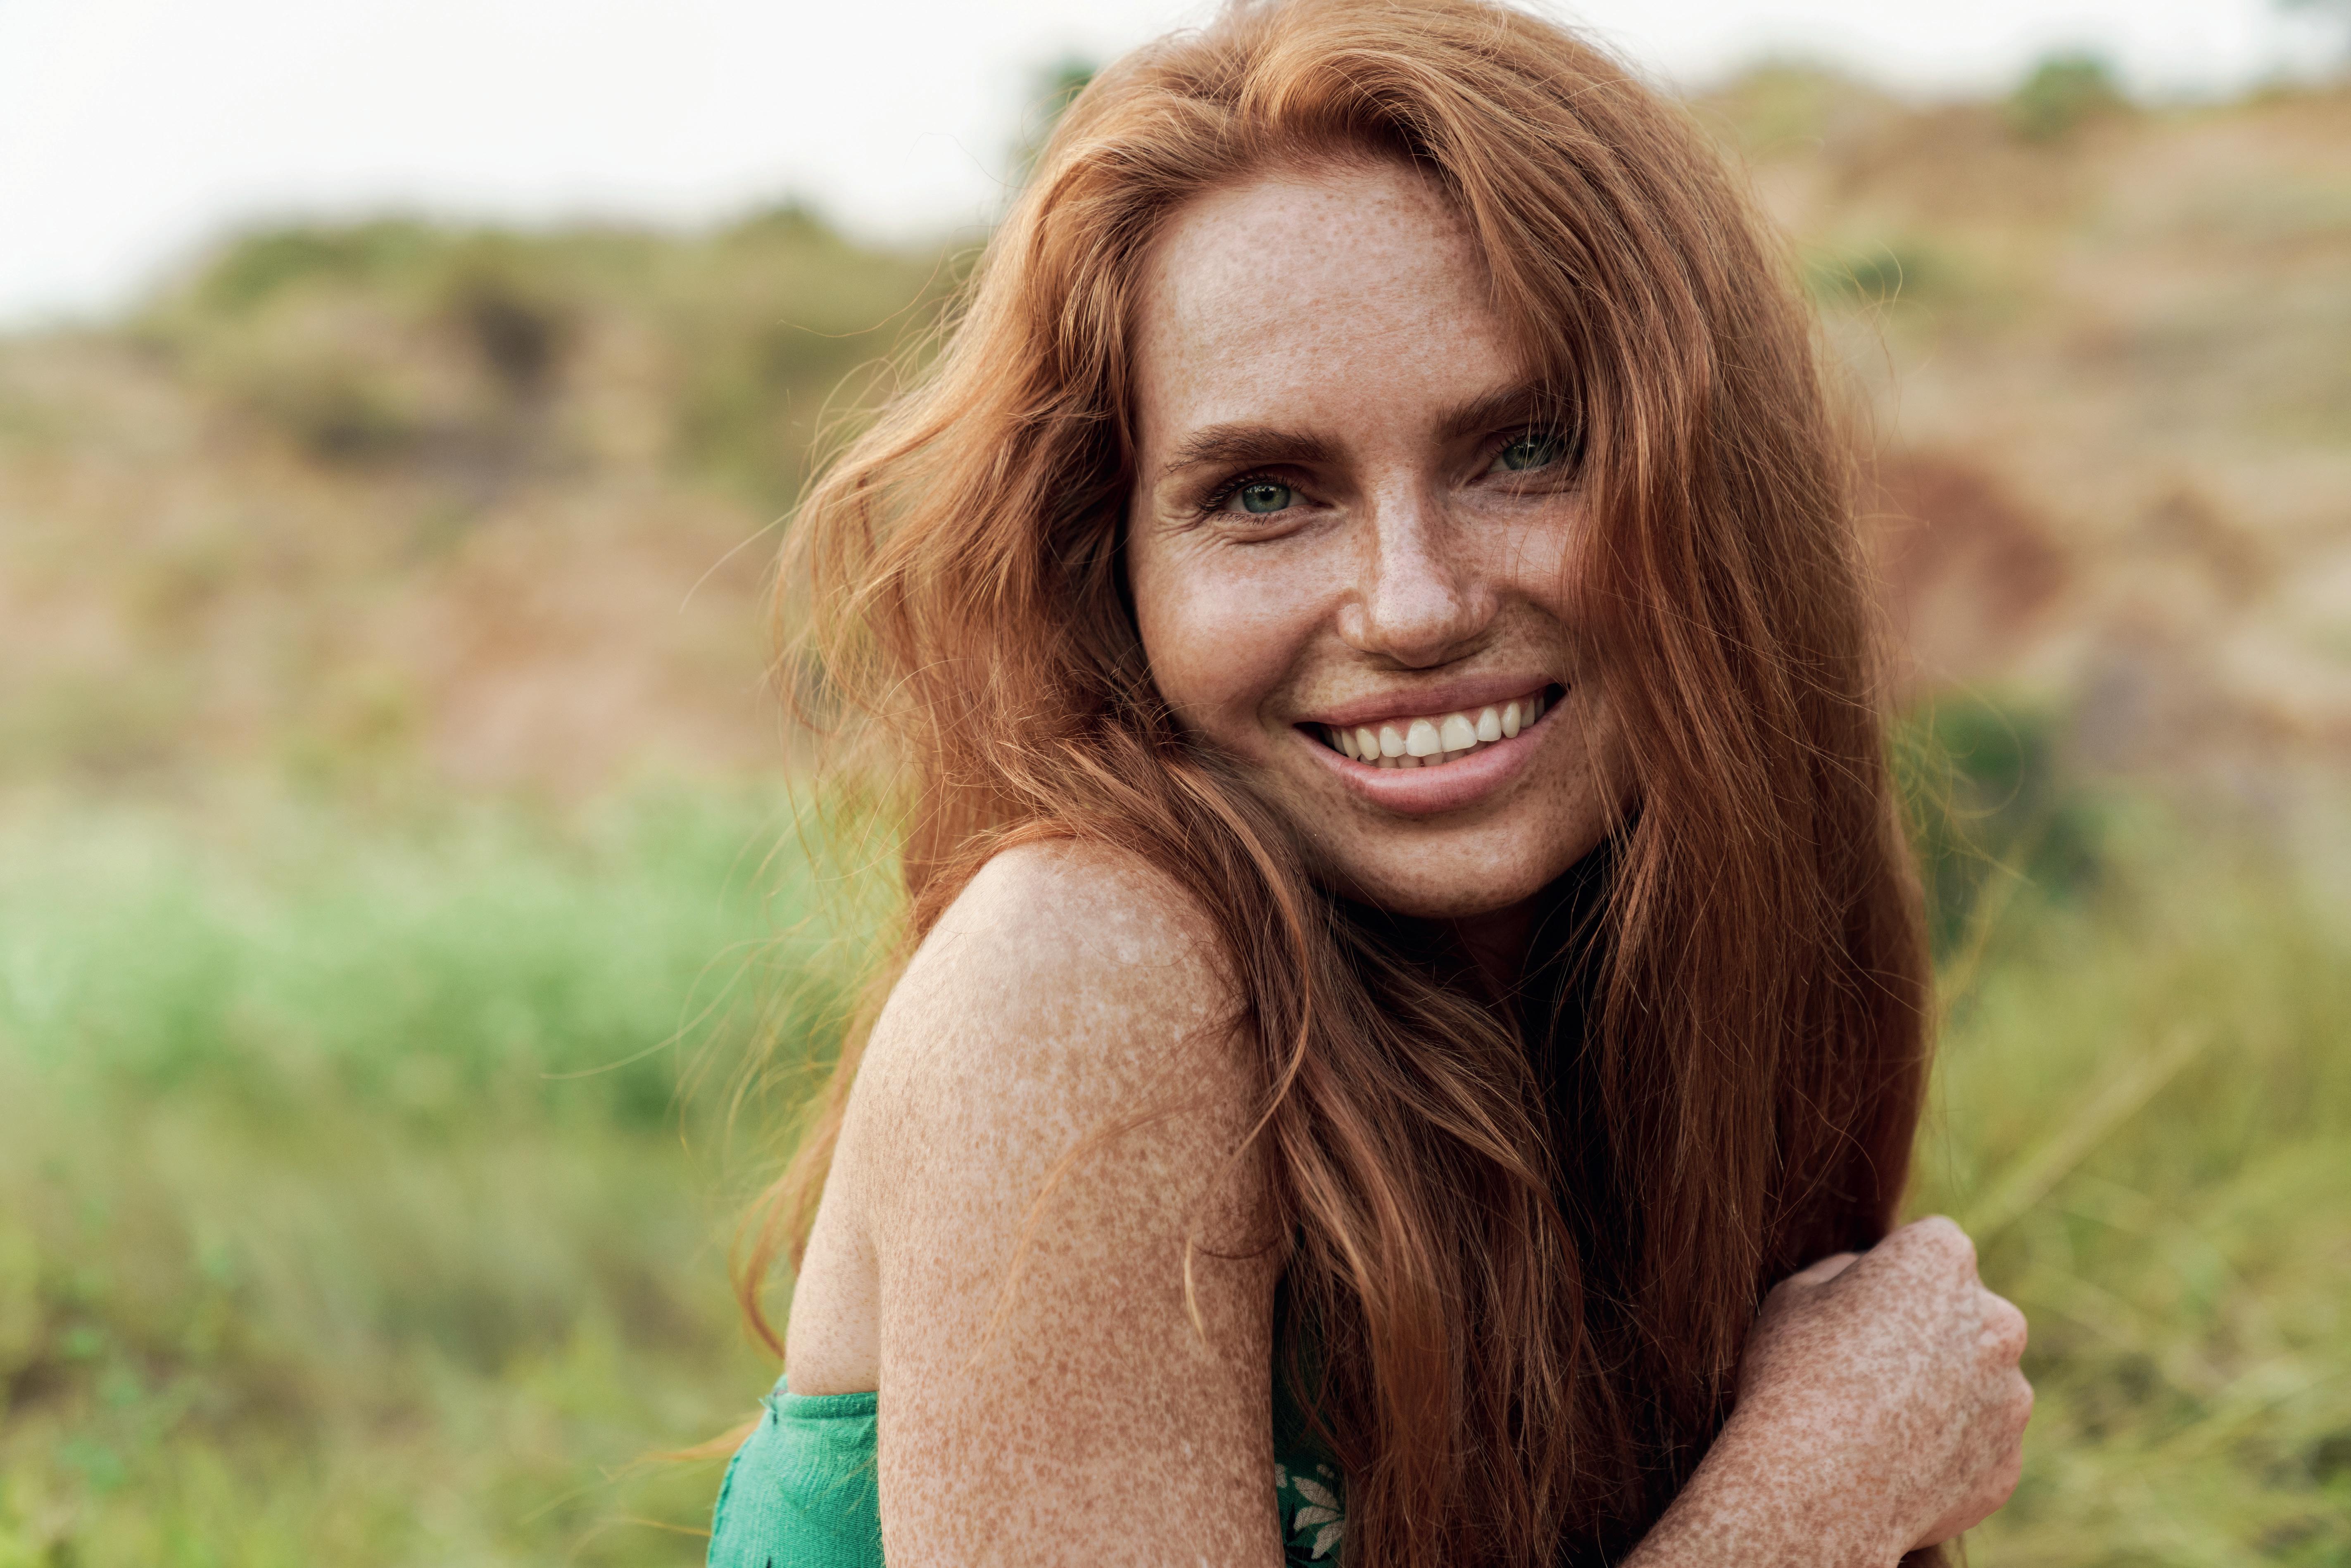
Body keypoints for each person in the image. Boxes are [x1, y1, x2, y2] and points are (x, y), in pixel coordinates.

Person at [708, 1, 2033, 1563]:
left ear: (1714, 489)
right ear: (1108, 567)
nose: (1411, 606)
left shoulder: (1648, 994)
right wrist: (1812, 1499)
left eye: (1524, 450)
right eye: (1265, 493)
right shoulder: (1083, 969)